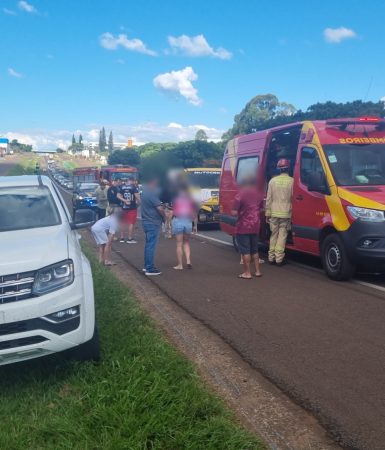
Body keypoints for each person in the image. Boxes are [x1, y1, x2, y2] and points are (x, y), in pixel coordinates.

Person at [231, 177, 263, 279]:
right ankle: (258, 271)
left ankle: (247, 273)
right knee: (255, 250)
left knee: (245, 251)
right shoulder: (259, 194)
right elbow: (262, 209)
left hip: (243, 226)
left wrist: (239, 212)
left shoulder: (240, 195)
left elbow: (234, 212)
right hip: (255, 225)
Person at [265, 158, 294, 266]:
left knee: (273, 235)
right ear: (289, 168)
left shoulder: (272, 181)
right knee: (282, 235)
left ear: (279, 169)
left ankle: (271, 257)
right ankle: (279, 259)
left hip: (274, 212)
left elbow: (269, 199)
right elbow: (293, 198)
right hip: (286, 213)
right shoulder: (292, 181)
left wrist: (267, 213)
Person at [141, 178, 166, 276]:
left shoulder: (144, 193)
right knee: (151, 246)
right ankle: (149, 268)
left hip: (146, 221)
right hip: (153, 222)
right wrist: (164, 217)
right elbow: (159, 208)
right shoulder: (151, 194)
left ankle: (147, 265)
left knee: (148, 245)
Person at [172, 185, 198, 270]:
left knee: (179, 244)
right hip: (188, 221)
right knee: (186, 242)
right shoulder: (191, 200)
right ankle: (188, 261)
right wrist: (195, 225)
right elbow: (194, 214)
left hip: (178, 220)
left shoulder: (176, 200)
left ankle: (180, 265)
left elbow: (172, 211)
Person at [117, 177, 140, 243]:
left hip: (124, 207)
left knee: (123, 222)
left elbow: (118, 196)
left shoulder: (122, 187)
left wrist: (124, 200)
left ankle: (122, 238)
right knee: (131, 223)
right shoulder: (133, 187)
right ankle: (130, 238)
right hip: (132, 207)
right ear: (131, 181)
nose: (134, 182)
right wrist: (139, 202)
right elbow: (137, 196)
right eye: (133, 181)